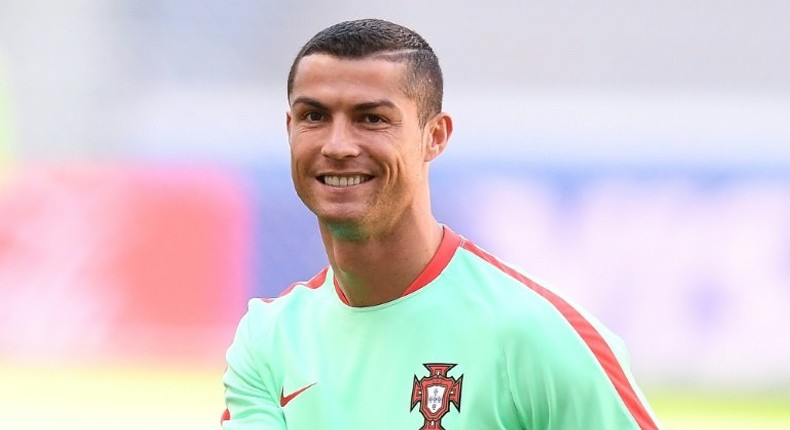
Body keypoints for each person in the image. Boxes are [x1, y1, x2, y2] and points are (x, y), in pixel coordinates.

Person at [222, 18, 661, 429]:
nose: (338, 145)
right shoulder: (269, 342)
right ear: (289, 129)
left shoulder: (537, 334)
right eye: (314, 116)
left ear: (435, 136)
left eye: (371, 118)